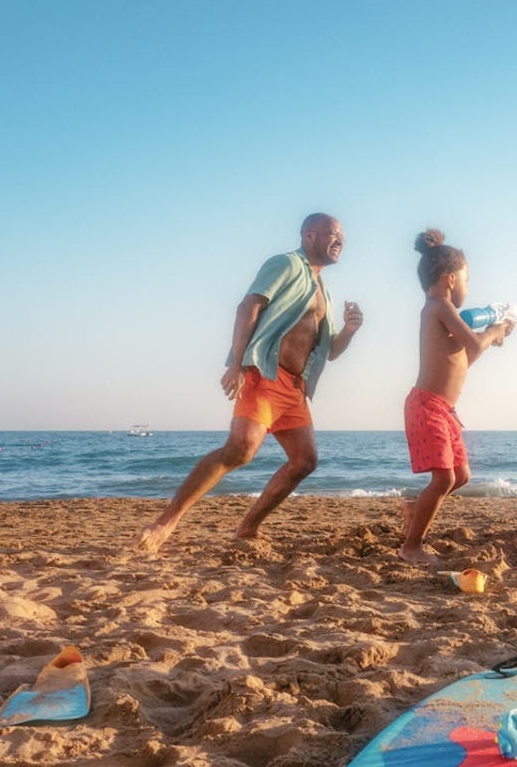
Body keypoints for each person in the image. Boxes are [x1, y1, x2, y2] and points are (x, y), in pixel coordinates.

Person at [136, 214, 364, 552]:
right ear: (309, 236)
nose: (340, 240)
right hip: (265, 373)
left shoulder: (324, 292)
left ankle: (248, 528)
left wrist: (348, 330)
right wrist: (240, 363)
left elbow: (329, 352)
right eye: (333, 233)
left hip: (295, 387)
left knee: (305, 461)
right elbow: (249, 305)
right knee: (240, 449)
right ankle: (165, 522)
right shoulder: (286, 264)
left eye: (343, 236)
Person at [399, 229, 514, 564]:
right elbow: (476, 344)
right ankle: (411, 546)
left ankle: (415, 510)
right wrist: (493, 331)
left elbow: (465, 359)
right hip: (426, 406)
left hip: (443, 409)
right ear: (450, 279)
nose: (467, 286)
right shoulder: (439, 306)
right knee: (444, 477)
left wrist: (492, 336)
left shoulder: (442, 313)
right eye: (466, 279)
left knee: (460, 476)